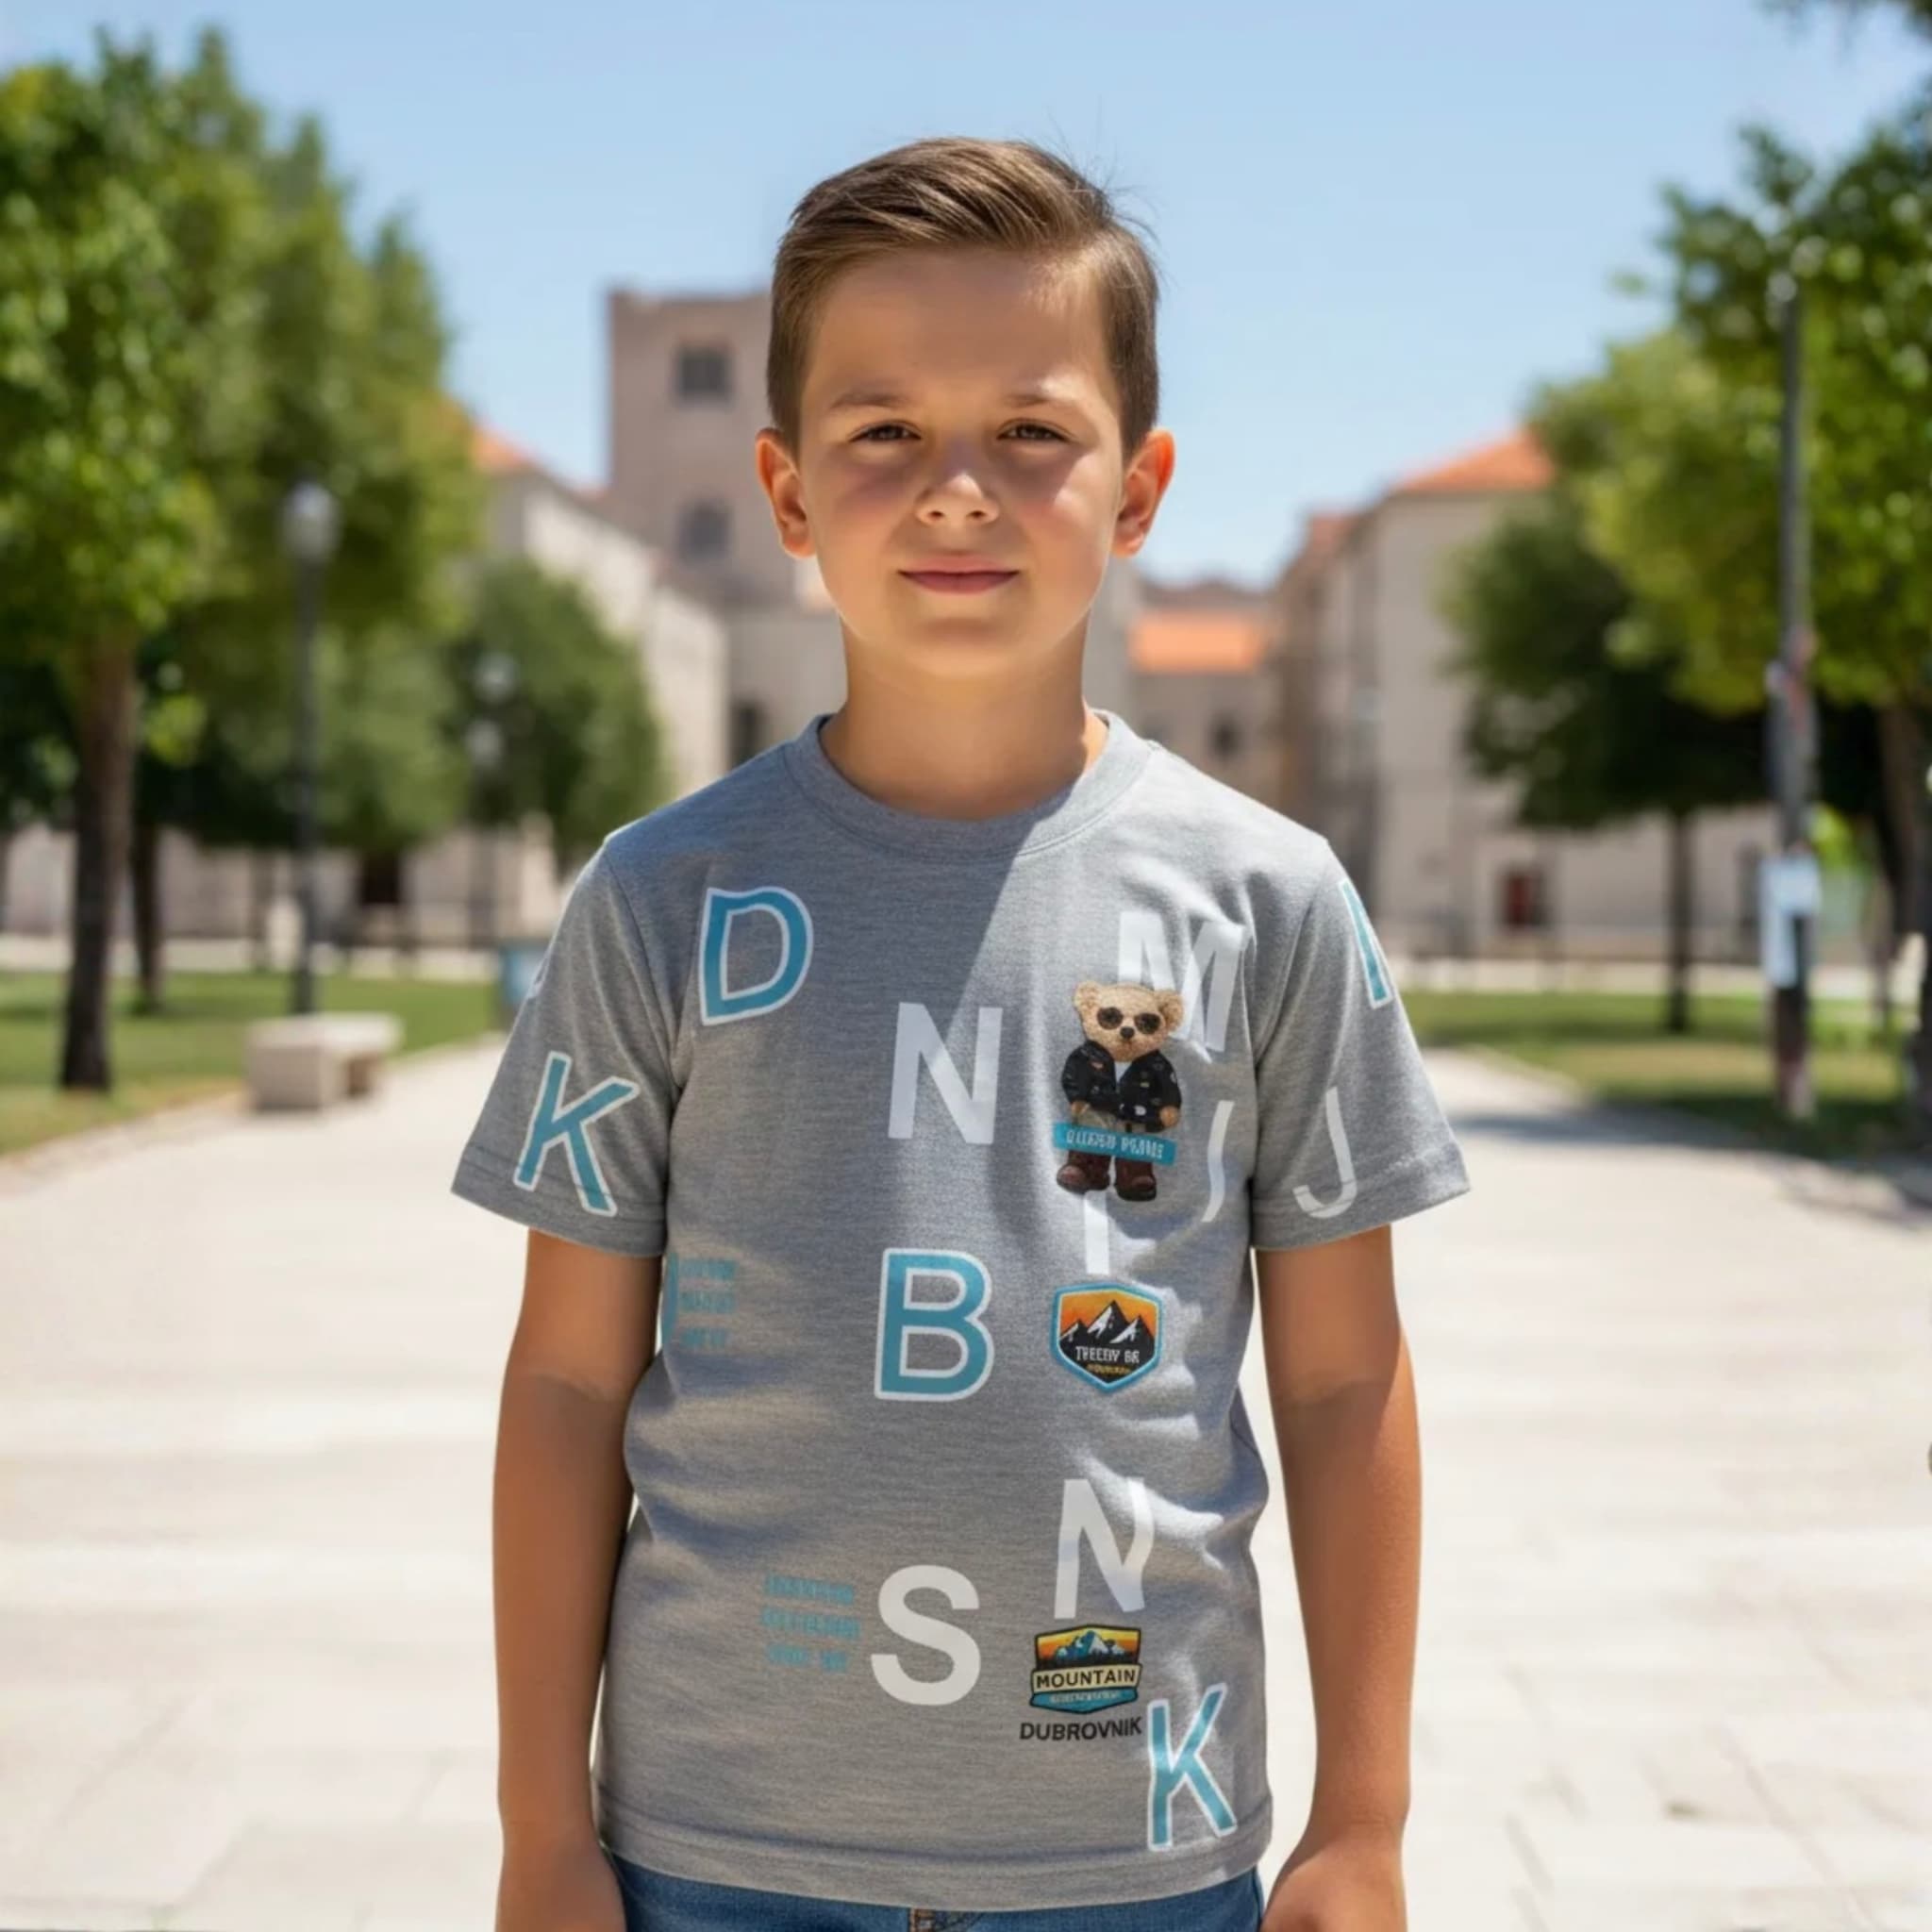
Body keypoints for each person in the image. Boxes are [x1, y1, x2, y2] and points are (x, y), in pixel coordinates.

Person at [454, 133, 1472, 1932]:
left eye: (1028, 430)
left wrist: (1364, 1823)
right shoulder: (660, 899)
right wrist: (544, 1832)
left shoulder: (1271, 902)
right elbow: (565, 1384)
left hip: (1140, 1852)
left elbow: (1338, 1382)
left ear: (1137, 490)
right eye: (883, 432)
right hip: (717, 1849)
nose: (954, 491)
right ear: (786, 493)